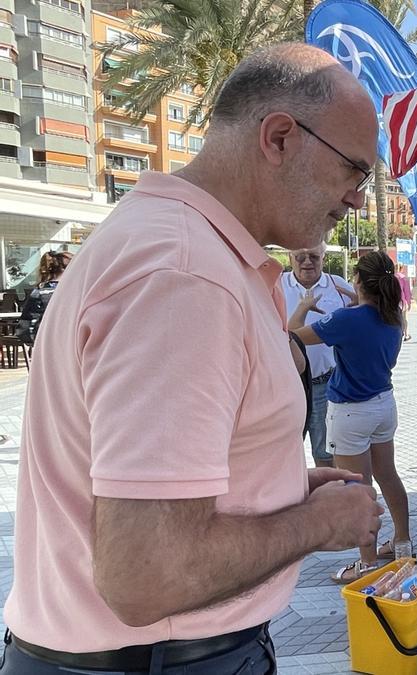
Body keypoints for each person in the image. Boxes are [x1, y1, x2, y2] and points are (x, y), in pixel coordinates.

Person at [1, 44, 384, 673]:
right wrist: (315, 525)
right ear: (281, 138)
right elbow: (147, 574)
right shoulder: (185, 276)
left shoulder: (178, 249)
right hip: (159, 660)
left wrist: (278, 489)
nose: (357, 201)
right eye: (354, 171)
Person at [290, 251, 409, 583]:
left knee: (358, 488)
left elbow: (293, 332)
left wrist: (304, 304)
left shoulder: (346, 321)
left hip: (350, 411)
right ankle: (402, 544)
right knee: (388, 476)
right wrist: (355, 301)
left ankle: (368, 565)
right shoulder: (394, 317)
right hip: (384, 404)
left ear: (359, 281)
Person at [280, 243, 356, 468]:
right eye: (300, 256)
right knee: (284, 451)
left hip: (325, 383)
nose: (307, 262)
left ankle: (328, 498)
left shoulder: (337, 285)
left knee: (325, 454)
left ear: (323, 256)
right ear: (290, 256)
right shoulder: (276, 285)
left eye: (313, 256)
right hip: (286, 385)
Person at [16, 250, 72, 347]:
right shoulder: (74, 292)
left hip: (45, 344)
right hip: (70, 344)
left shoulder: (40, 292)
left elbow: (24, 328)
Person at [396, 263, 413, 341]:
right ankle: (406, 334)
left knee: (395, 318)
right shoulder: (403, 278)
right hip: (402, 301)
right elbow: (407, 292)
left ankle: (397, 332)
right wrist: (409, 302)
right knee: (404, 318)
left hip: (393, 300)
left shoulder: (391, 278)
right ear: (401, 269)